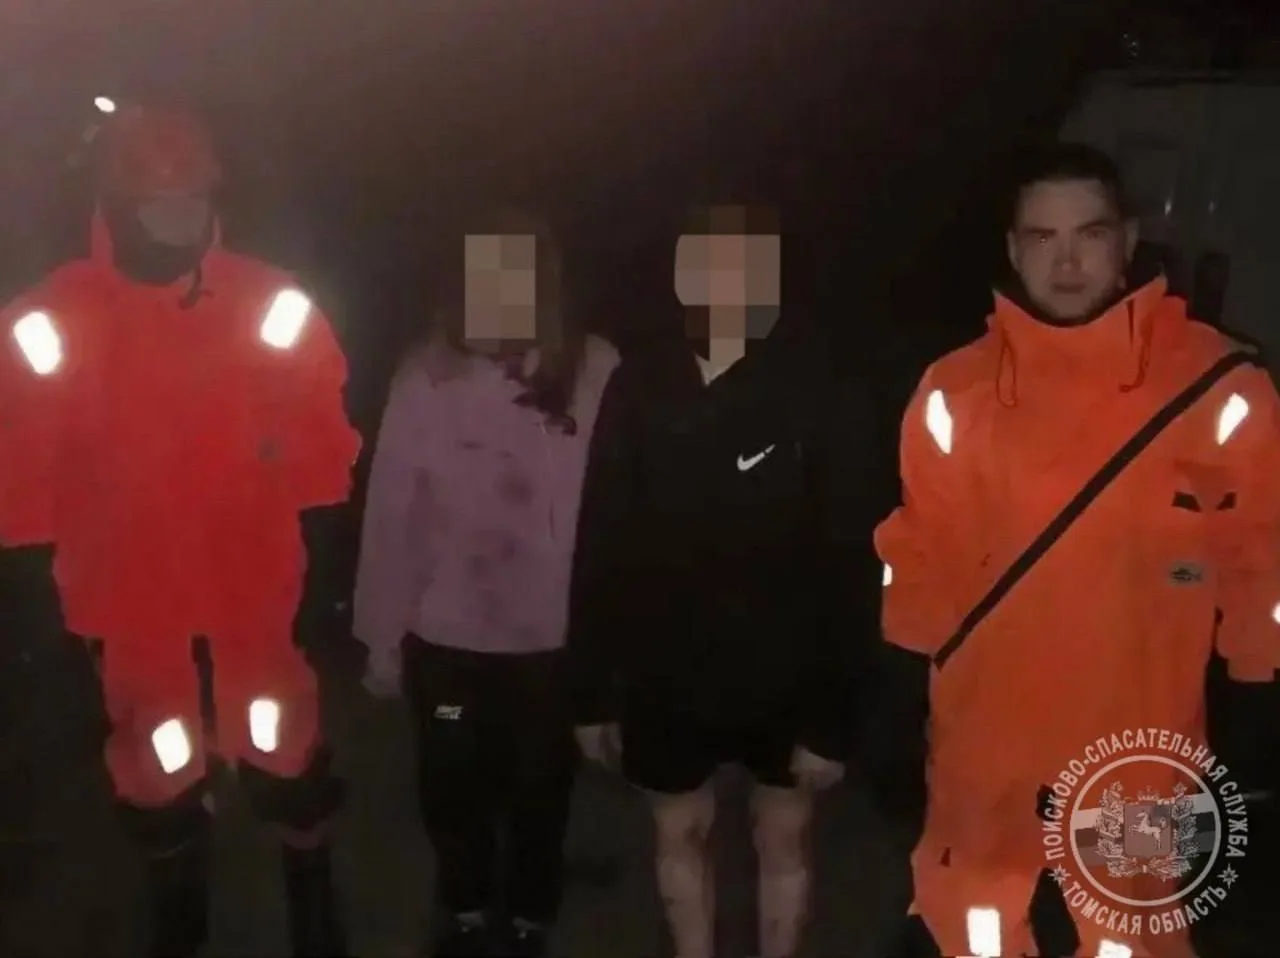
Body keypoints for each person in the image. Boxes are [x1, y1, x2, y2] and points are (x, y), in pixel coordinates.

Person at [876, 142, 1280, 958]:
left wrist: (1258, 695)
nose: (1065, 262)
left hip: (1140, 740)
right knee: (974, 926)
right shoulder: (953, 391)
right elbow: (920, 555)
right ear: (1012, 248)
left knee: (1133, 932)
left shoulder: (1218, 388)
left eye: (1089, 235)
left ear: (1126, 241)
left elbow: (1260, 556)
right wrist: (891, 693)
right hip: (985, 741)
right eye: (1042, 237)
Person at [0, 102, 360, 957]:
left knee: (284, 750)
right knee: (158, 770)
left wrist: (322, 554)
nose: (180, 221)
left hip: (253, 593)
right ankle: (179, 922)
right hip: (132, 608)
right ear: (118, 205)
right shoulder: (47, 320)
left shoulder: (271, 301)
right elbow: (19, 478)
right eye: (161, 206)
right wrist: (38, 604)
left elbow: (325, 450)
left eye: (192, 202)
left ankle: (314, 910)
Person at [568, 202, 882, 958]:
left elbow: (851, 559)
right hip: (666, 673)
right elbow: (601, 539)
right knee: (680, 831)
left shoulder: (823, 387)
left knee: (784, 835)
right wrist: (591, 692)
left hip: (787, 673)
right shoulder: (640, 382)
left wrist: (833, 720)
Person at [352, 209, 621, 958]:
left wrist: (619, 642)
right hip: (447, 638)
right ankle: (465, 908)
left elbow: (621, 503)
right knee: (451, 787)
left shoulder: (594, 370)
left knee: (541, 788)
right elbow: (391, 514)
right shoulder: (425, 376)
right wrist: (381, 638)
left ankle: (531, 913)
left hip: (550, 641)